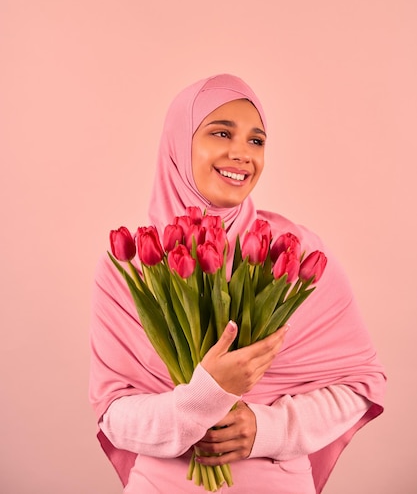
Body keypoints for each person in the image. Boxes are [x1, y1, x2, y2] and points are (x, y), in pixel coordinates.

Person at [89, 74, 386, 494]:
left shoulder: (291, 251)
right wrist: (201, 400)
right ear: (179, 142)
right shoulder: (134, 263)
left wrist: (264, 429)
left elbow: (359, 385)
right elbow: (114, 416)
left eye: (256, 141)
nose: (242, 154)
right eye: (221, 132)